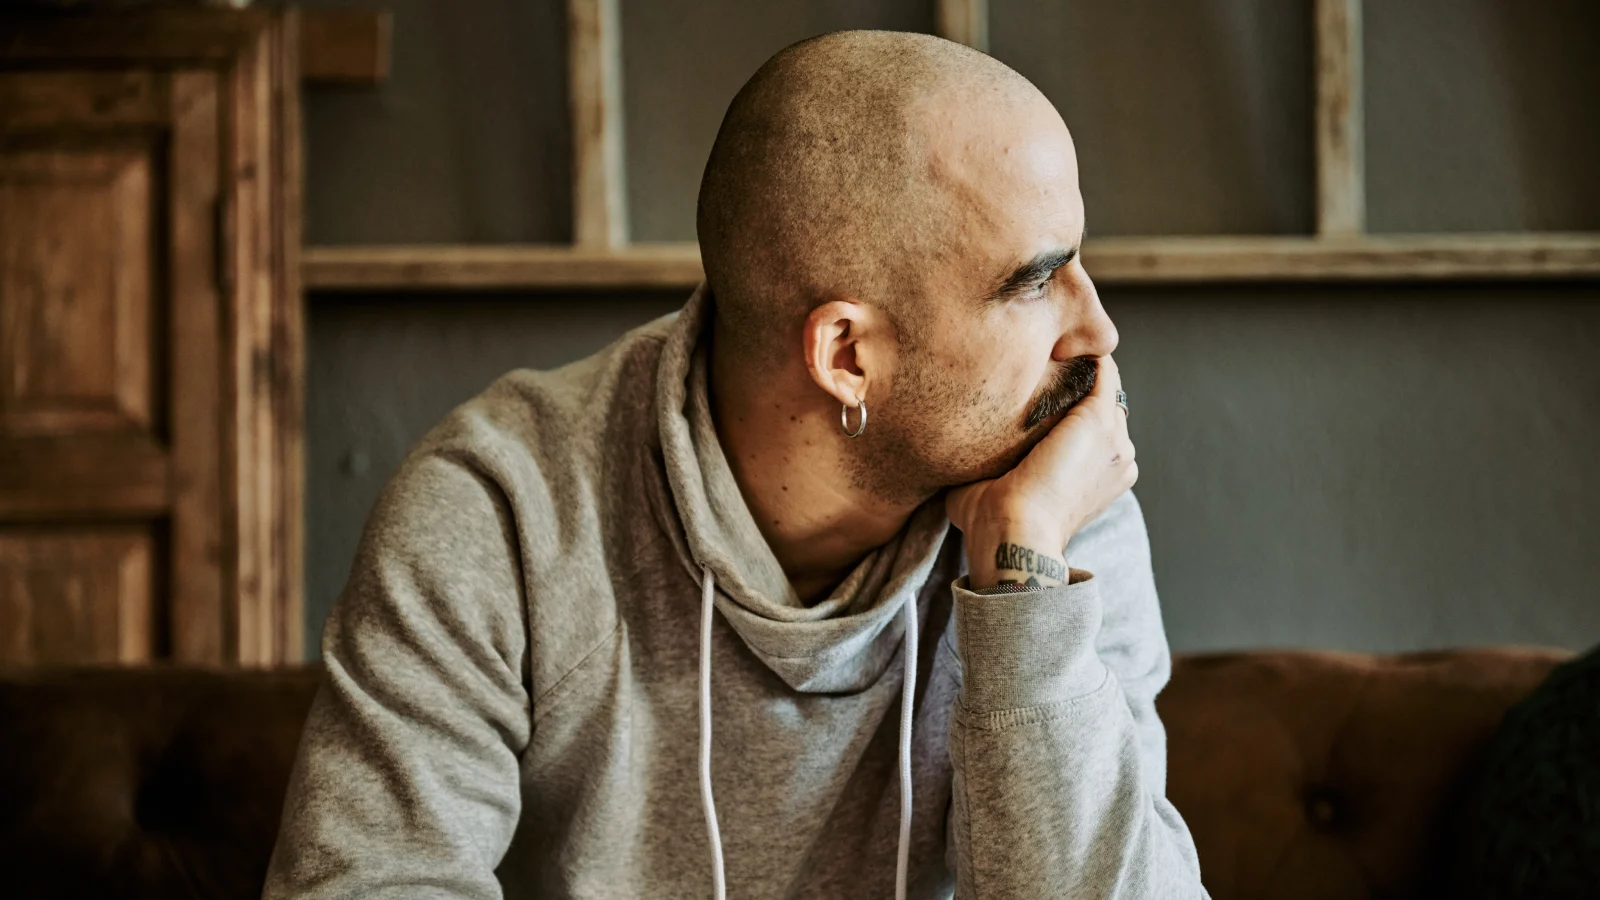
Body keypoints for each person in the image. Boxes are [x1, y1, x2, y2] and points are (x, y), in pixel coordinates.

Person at [264, 29, 1207, 900]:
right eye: (1038, 281)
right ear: (846, 356)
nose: (1099, 330)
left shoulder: (1050, 499)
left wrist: (1024, 586)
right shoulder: (504, 512)